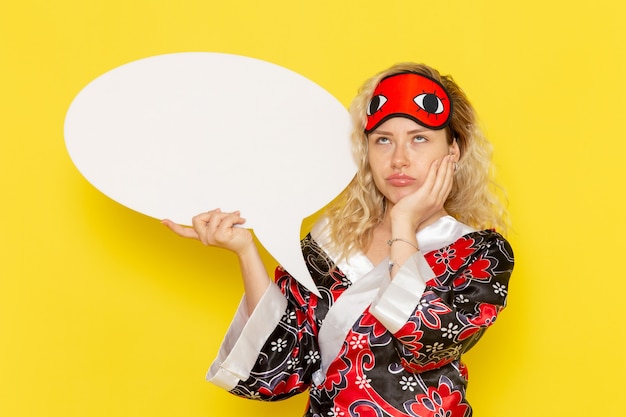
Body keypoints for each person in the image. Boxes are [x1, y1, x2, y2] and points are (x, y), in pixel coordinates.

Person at [163, 62, 514, 417]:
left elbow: (424, 339)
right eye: (383, 140)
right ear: (366, 151)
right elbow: (282, 366)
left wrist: (404, 221)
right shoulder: (333, 238)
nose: (399, 160)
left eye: (419, 138)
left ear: (453, 151)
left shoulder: (479, 253)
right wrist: (245, 249)